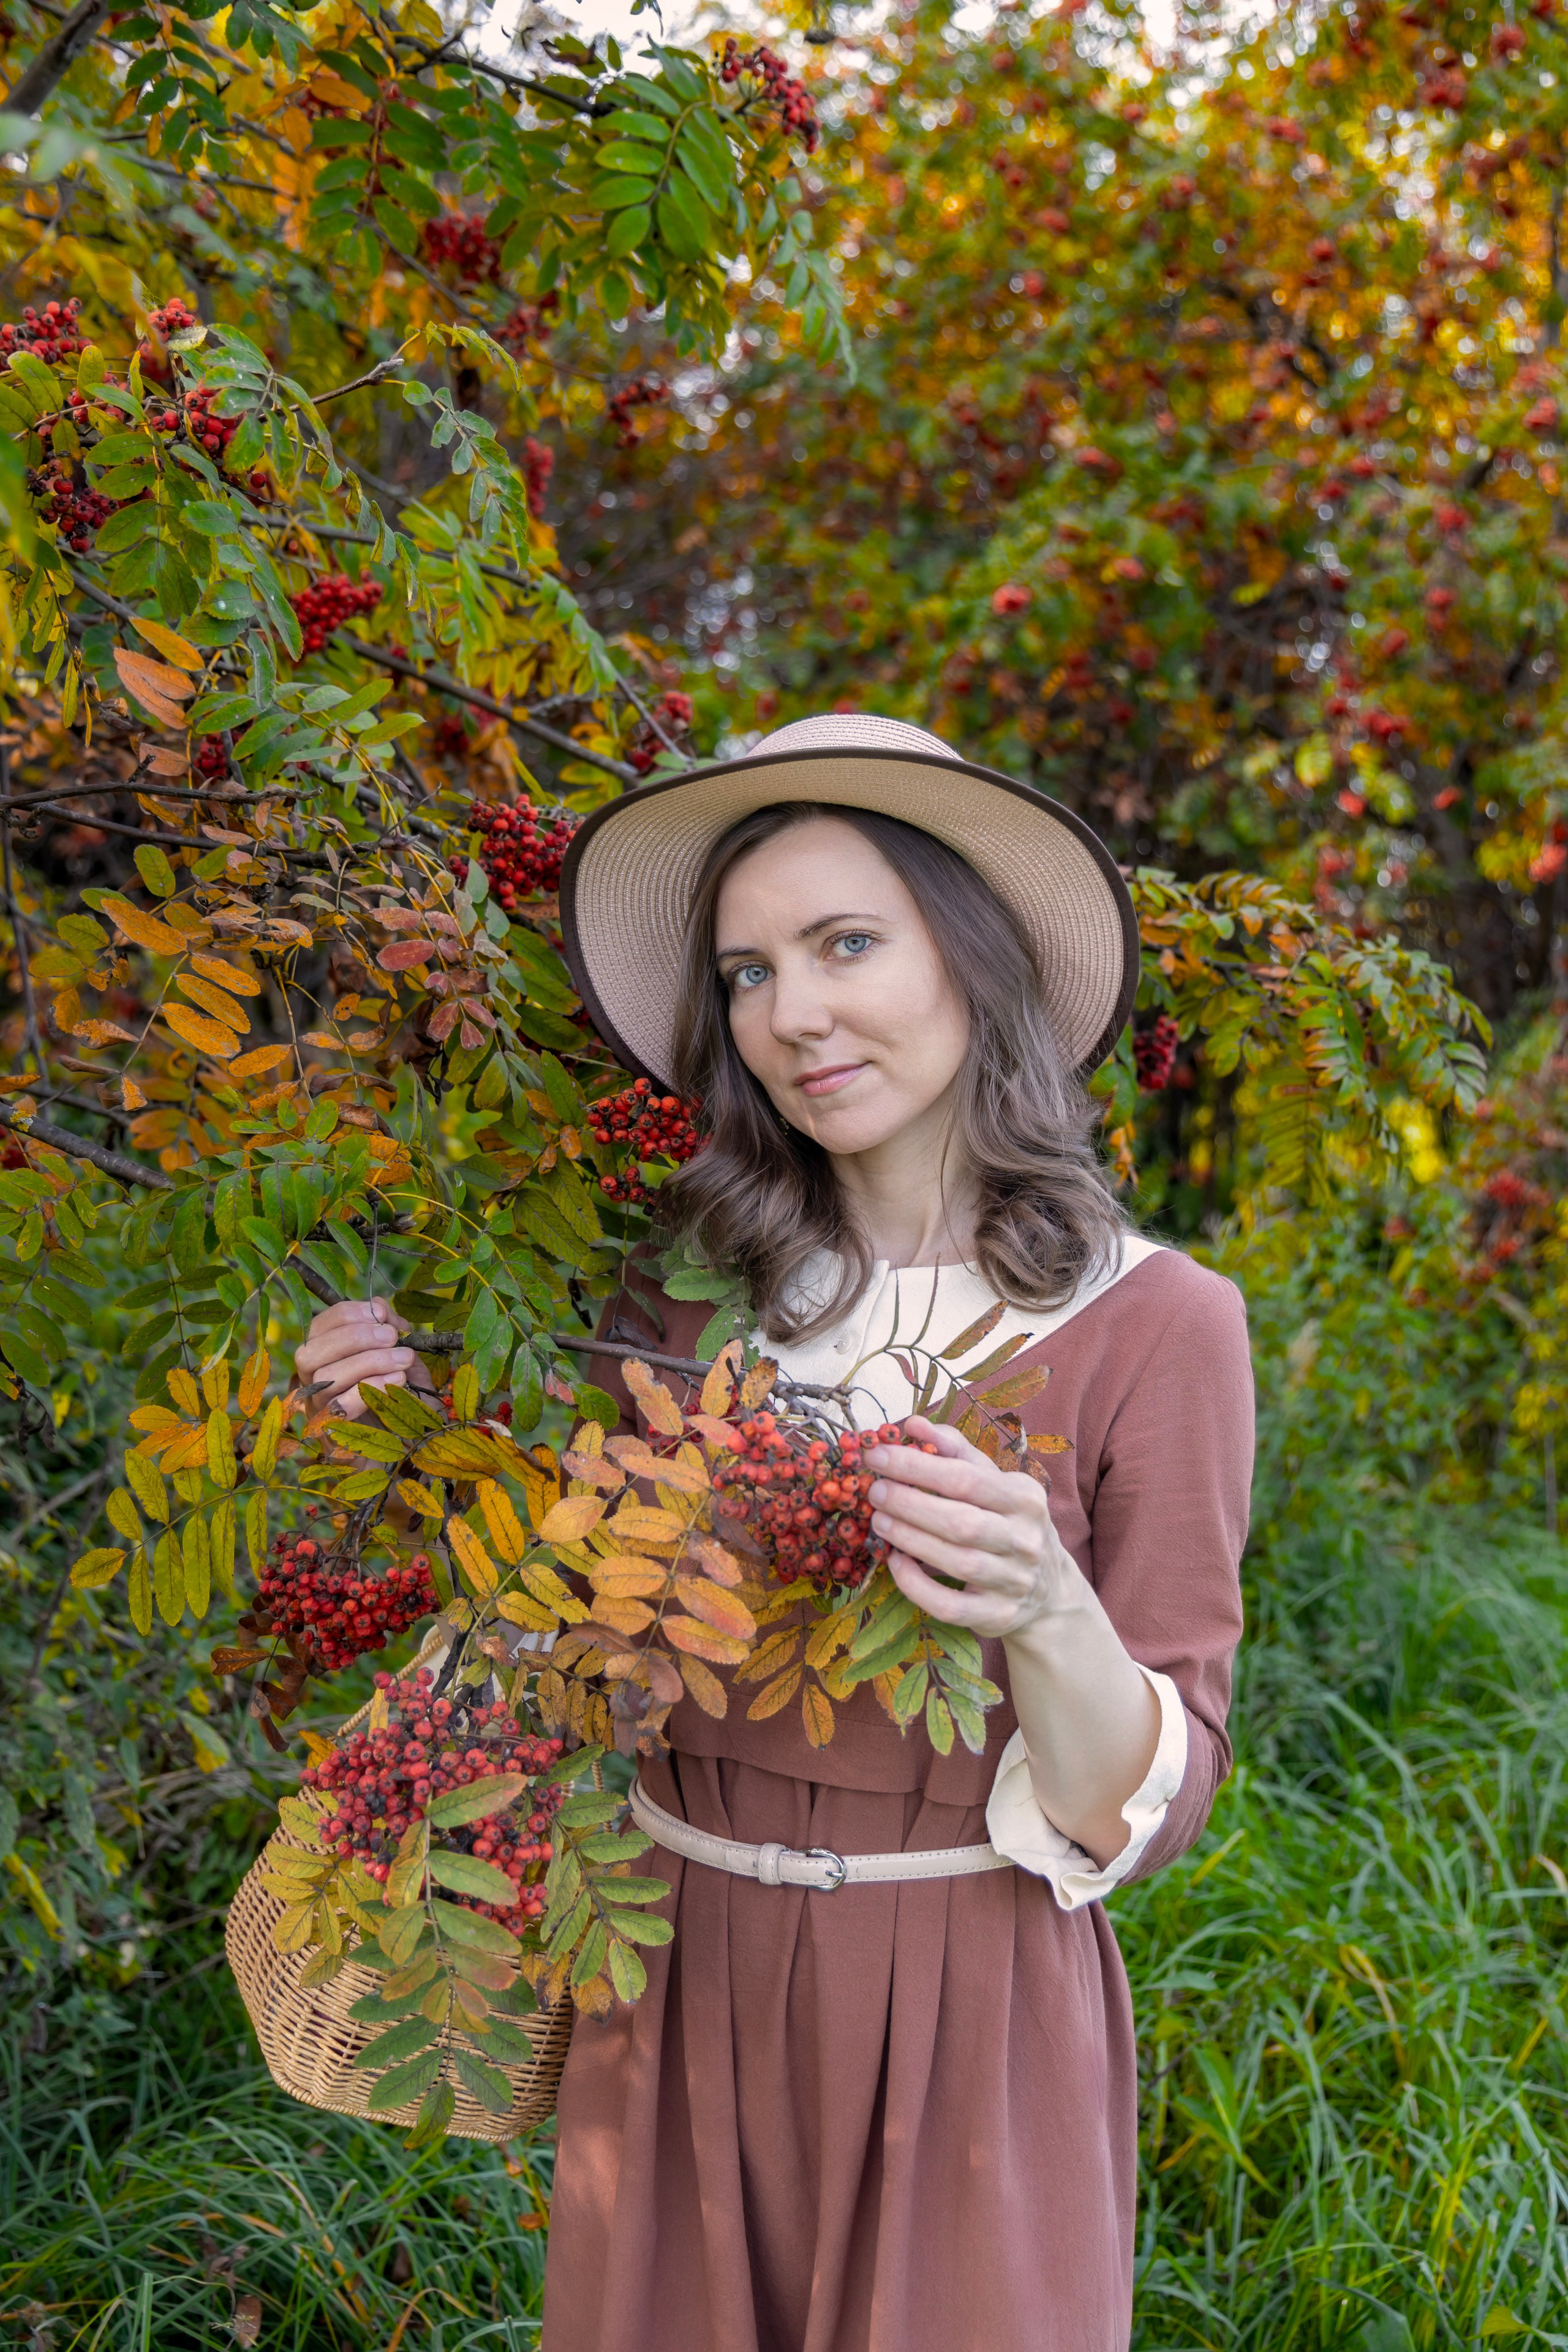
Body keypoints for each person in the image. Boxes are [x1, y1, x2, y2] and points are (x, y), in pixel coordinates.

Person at [297, 714, 1253, 2352]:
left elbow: (1147, 1812)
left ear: (977, 959)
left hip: (971, 2006)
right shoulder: (673, 1299)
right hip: (667, 1972)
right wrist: (403, 1449)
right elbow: (562, 1641)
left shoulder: (1159, 1324)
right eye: (748, 973)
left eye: (846, 944)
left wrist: (1046, 1606)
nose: (792, 1012)